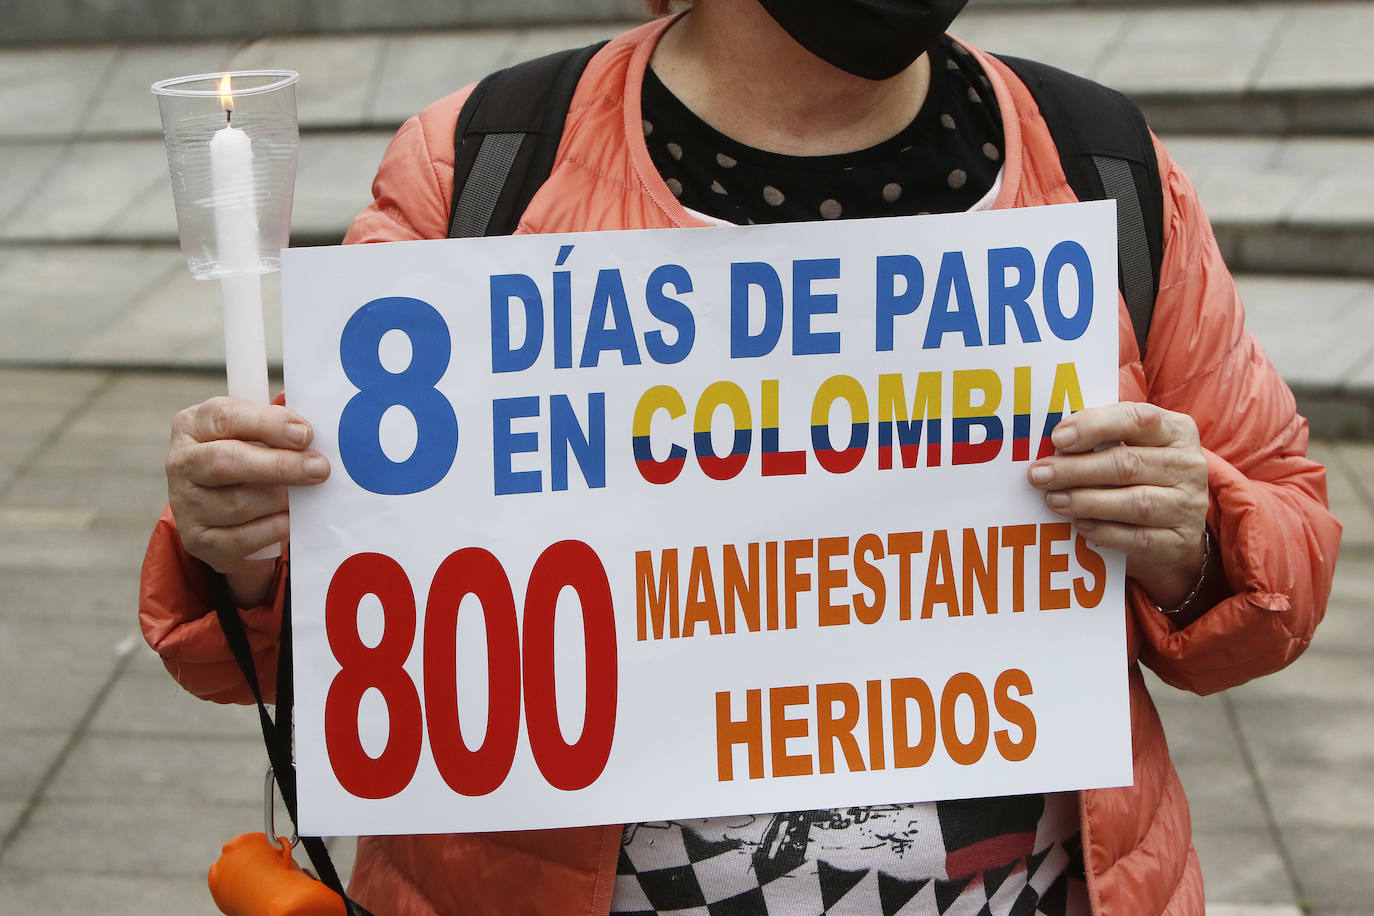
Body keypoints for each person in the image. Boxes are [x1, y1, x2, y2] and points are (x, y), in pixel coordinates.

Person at [139, 1, 1341, 914]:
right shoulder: (489, 168)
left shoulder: (1098, 162)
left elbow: (1288, 536)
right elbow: (347, 608)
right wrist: (242, 550)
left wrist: (1193, 537)